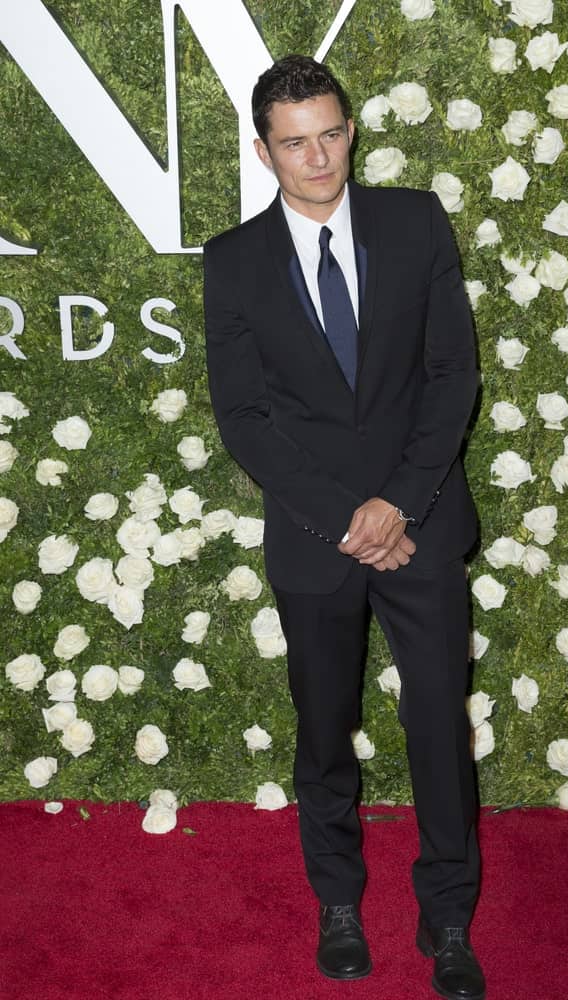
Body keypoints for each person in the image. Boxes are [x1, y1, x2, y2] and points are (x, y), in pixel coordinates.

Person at [203, 55, 485, 1000]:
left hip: (424, 523)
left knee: (437, 727)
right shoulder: (234, 260)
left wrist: (397, 504)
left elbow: (452, 376)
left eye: (329, 133)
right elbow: (243, 415)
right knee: (325, 731)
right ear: (263, 149)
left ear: (350, 128)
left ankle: (448, 918)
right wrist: (345, 520)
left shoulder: (414, 223)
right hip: (315, 542)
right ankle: (338, 903)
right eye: (294, 143)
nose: (316, 157)